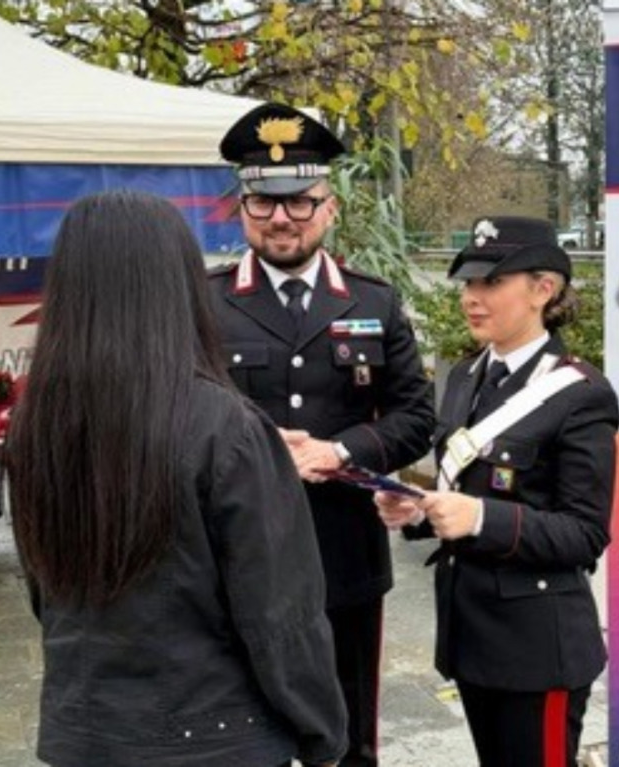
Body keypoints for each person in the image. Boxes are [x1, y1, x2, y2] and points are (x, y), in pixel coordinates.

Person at [5, 189, 346, 767]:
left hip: (85, 728)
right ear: (178, 285)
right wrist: (324, 735)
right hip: (212, 734)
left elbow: (45, 588)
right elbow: (279, 618)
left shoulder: (35, 423)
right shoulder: (225, 427)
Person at [207, 101, 435, 767]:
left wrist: (338, 451)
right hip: (241, 553)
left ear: (329, 206)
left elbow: (416, 416)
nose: (281, 217)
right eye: (262, 202)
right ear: (241, 208)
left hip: (345, 549)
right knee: (249, 729)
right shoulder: (203, 301)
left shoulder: (373, 301)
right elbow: (179, 415)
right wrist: (258, 450)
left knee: (349, 732)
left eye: (300, 201)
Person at [376, 215, 619, 767]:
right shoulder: (466, 376)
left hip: (538, 648)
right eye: (468, 283)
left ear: (543, 290)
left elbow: (585, 533)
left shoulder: (581, 394)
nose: (471, 297)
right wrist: (415, 510)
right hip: (473, 638)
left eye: (491, 283)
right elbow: (464, 486)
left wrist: (480, 518)